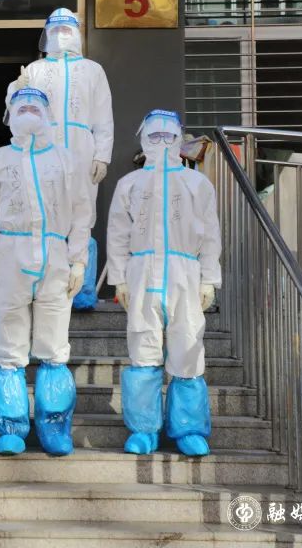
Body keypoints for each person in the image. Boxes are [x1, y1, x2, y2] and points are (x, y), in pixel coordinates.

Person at [0, 88, 92, 456]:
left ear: (47, 114)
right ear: (9, 115)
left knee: (53, 345)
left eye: (34, 107)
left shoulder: (66, 160)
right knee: (9, 343)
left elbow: (82, 213)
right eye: (20, 107)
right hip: (10, 254)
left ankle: (54, 429)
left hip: (55, 254)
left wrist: (79, 260)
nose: (27, 112)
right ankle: (10, 428)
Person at [107, 109, 222, 457]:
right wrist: (118, 278)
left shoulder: (197, 184)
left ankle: (189, 429)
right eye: (153, 136)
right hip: (142, 273)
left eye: (168, 136)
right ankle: (143, 430)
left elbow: (211, 235)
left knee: (188, 346)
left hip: (184, 273)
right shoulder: (129, 184)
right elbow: (117, 234)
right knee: (143, 347)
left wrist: (209, 278)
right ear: (143, 139)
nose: (160, 142)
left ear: (179, 139)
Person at [8, 8, 113, 310]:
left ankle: (82, 288)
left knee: (82, 212)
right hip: (44, 147)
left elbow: (104, 116)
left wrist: (102, 155)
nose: (61, 35)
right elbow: (17, 110)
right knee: (42, 210)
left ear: (77, 33)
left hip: (82, 148)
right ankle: (41, 284)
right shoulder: (36, 70)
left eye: (67, 30)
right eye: (55, 30)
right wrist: (17, 88)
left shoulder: (93, 70)